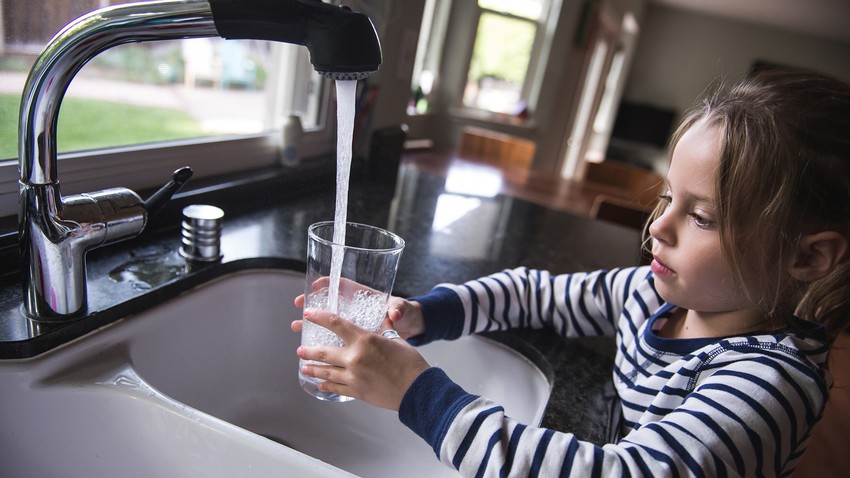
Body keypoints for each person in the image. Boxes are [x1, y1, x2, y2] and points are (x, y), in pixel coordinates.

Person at [292, 68, 850, 476]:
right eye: (668, 197)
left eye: (701, 217)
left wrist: (415, 392)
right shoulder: (656, 295)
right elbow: (535, 295)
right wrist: (423, 314)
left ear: (807, 258)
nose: (660, 226)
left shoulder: (768, 387)